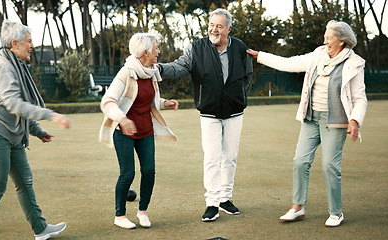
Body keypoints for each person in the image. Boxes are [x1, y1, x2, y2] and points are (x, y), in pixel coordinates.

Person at [246, 20, 367, 227]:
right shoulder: (317, 55)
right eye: (325, 36)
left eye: (329, 37)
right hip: (311, 118)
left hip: (335, 122)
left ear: (341, 41)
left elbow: (359, 98)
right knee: (300, 161)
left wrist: (355, 120)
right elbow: (289, 63)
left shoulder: (354, 63)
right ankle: (298, 207)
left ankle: (336, 213)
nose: (325, 40)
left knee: (329, 165)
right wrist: (260, 56)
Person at [0, 20, 70, 240]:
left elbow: (19, 106)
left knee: (24, 181)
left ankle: (40, 229)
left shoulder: (17, 66)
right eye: (29, 41)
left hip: (11, 134)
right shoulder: (3, 67)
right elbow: (15, 104)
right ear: (14, 43)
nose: (32, 45)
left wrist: (37, 130)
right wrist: (51, 115)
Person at [158, 8, 253, 222]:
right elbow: (180, 66)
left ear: (229, 28)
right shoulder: (196, 48)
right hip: (209, 113)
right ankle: (212, 203)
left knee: (230, 158)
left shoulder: (240, 48)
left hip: (234, 112)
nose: (214, 29)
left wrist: (238, 95)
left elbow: (247, 75)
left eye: (219, 26)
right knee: (212, 158)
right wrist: (161, 68)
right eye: (211, 25)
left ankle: (225, 199)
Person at [99, 33, 179, 229]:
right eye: (156, 48)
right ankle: (120, 216)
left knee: (149, 171)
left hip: (145, 130)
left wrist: (164, 103)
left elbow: (146, 99)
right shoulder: (126, 73)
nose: (158, 51)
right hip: (123, 131)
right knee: (127, 173)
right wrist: (123, 119)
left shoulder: (152, 72)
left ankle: (142, 212)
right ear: (145, 52)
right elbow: (108, 102)